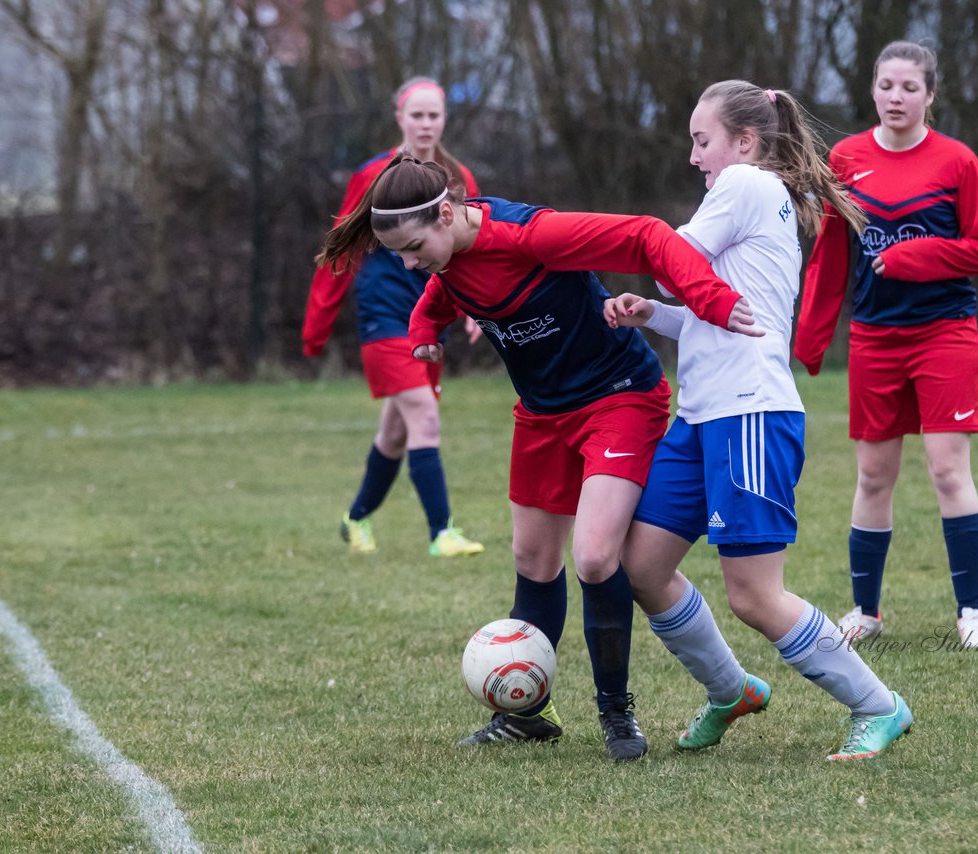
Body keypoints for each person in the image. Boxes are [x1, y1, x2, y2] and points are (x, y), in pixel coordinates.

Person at [316, 153, 761, 761]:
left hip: (619, 398)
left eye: (415, 247)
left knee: (597, 556)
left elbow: (647, 236)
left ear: (448, 212)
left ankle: (615, 712)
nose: (409, 262)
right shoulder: (446, 258)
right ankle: (529, 713)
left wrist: (708, 297)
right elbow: (447, 290)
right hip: (542, 414)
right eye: (399, 255)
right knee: (532, 556)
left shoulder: (532, 235)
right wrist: (423, 327)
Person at [604, 80, 913, 761]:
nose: (694, 156)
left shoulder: (744, 185)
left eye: (701, 139)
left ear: (744, 142)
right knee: (643, 567)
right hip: (701, 416)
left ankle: (879, 706)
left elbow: (669, 262)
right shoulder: (744, 194)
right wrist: (650, 314)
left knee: (753, 593)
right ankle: (729, 690)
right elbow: (710, 308)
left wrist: (638, 275)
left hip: (750, 414)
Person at [796, 41, 978, 648]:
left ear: (930, 96)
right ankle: (866, 612)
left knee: (946, 470)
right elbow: (831, 252)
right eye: (886, 85)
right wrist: (811, 332)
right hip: (874, 338)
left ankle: (971, 612)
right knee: (874, 475)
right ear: (873, 90)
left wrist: (913, 258)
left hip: (944, 334)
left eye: (910, 88)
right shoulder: (847, 157)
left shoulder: (959, 162)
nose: (896, 97)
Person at [302, 77, 484, 559]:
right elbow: (340, 247)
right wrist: (316, 327)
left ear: (444, 119)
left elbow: (473, 249)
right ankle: (441, 532)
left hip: (431, 319)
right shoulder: (371, 174)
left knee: (395, 433)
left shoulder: (457, 175)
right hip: (384, 320)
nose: (426, 124)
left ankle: (354, 518)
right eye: (417, 115)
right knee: (424, 416)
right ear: (399, 118)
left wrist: (475, 306)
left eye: (434, 115)